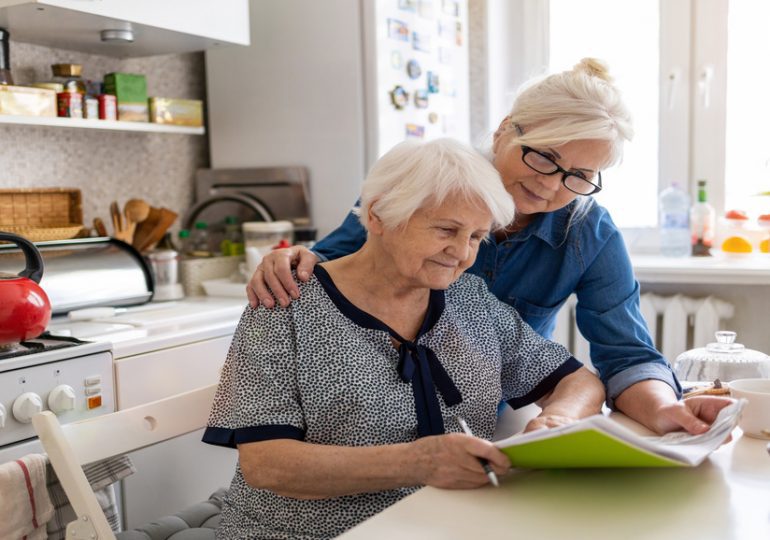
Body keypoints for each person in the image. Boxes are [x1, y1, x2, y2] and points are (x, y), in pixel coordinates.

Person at [246, 58, 734, 436]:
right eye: (546, 157)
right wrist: (291, 258)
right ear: (505, 130)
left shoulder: (589, 233)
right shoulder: (423, 184)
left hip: (487, 418)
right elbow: (334, 266)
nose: (552, 187)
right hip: (365, 417)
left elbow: (627, 356)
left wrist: (668, 411)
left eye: (580, 176)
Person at [204, 138, 607, 539]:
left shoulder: (470, 300)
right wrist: (418, 462)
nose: (461, 253)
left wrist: (558, 420)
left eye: (475, 237)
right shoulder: (286, 302)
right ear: (379, 215)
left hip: (444, 526)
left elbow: (578, 381)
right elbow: (267, 464)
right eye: (446, 230)